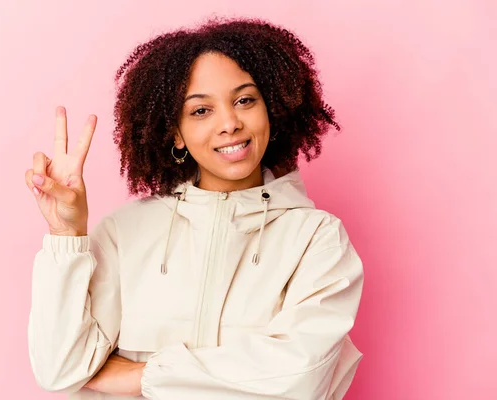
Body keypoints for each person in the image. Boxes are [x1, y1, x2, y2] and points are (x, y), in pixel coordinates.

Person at [25, 17, 364, 400]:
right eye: (201, 111)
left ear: (271, 109)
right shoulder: (124, 232)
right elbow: (59, 370)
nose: (230, 123)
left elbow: (300, 378)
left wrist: (144, 376)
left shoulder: (316, 239)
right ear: (176, 133)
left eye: (245, 100)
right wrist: (66, 237)